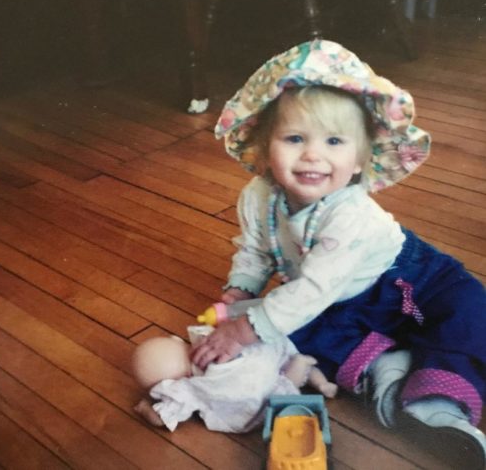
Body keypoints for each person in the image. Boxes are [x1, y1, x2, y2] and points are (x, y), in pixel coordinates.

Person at [190, 39, 486, 465]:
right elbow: (256, 250)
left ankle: (439, 403)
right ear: (263, 144)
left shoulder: (350, 213)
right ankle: (381, 374)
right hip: (332, 295)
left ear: (362, 158)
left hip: (407, 281)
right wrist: (240, 290)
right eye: (294, 138)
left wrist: (241, 330)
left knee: (468, 309)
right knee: (290, 328)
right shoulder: (258, 196)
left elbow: (311, 289)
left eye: (334, 141)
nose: (313, 154)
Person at [132, 333, 337, 433]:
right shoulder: (205, 340)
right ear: (176, 340)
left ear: (167, 385)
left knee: (280, 393)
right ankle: (320, 382)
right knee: (289, 359)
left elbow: (161, 418)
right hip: (264, 354)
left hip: (255, 389)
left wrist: (144, 409)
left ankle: (300, 371)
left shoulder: (185, 388)